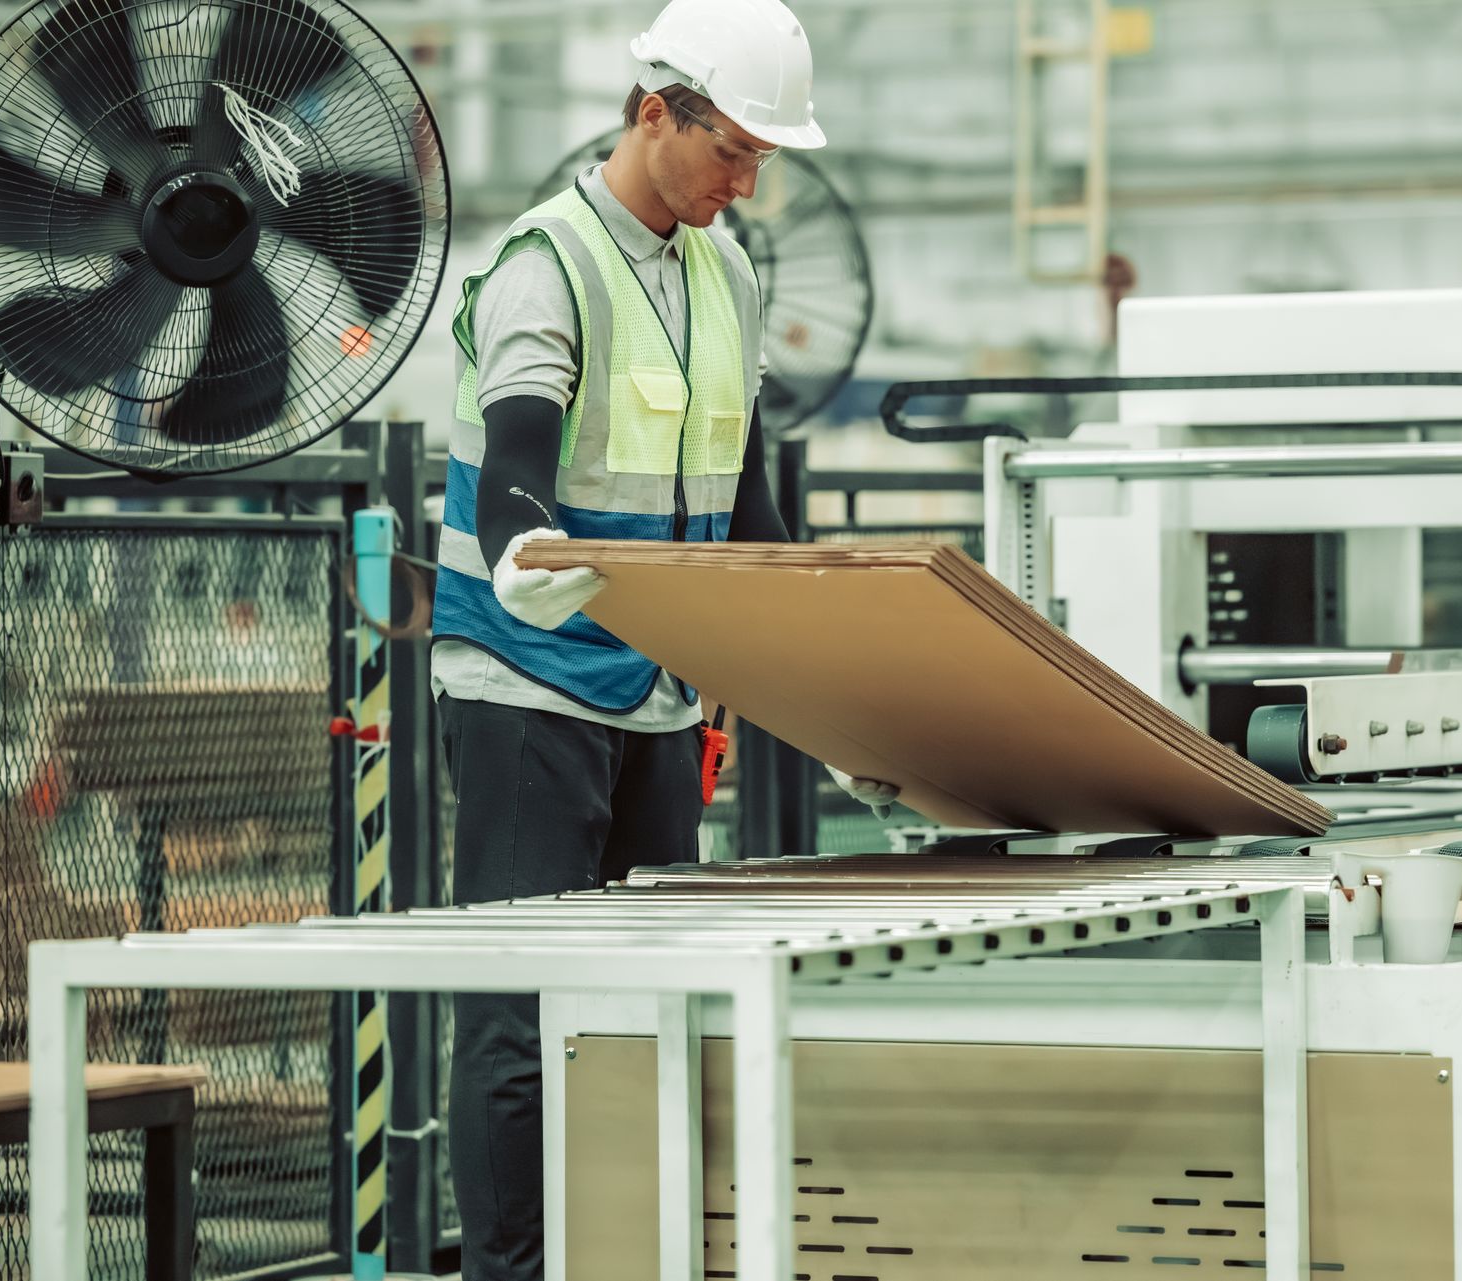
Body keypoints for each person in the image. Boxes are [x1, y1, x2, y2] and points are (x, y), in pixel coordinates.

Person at [428, 1, 895, 1274]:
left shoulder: (726, 268)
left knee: (651, 1013)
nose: (745, 183)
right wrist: (529, 542)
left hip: (655, 698)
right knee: (522, 1015)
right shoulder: (547, 264)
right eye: (730, 150)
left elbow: (741, 494)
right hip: (527, 686)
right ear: (653, 114)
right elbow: (521, 458)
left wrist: (793, 650)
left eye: (761, 160)